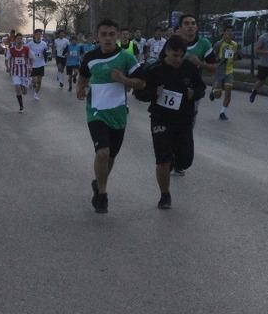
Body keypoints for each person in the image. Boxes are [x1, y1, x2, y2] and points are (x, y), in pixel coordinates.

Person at [77, 19, 145, 214]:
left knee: (111, 157)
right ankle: (103, 194)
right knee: (102, 153)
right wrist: (81, 88)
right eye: (103, 34)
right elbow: (83, 75)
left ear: (117, 35)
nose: (107, 38)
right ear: (97, 37)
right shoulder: (90, 57)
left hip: (118, 113)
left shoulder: (126, 58)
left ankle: (98, 183)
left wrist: (123, 79)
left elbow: (141, 83)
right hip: (96, 111)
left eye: (111, 34)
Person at [133, 35, 205, 209]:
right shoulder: (153, 70)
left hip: (184, 120)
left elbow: (201, 87)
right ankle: (165, 195)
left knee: (185, 160)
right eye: (174, 55)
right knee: (163, 159)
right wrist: (153, 93)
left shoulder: (189, 68)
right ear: (166, 51)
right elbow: (138, 93)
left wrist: (193, 93)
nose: (177, 60)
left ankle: (175, 161)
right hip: (161, 119)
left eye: (181, 56)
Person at [173, 14, 217, 176]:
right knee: (173, 123)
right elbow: (162, 62)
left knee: (187, 125)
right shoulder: (174, 42)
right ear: (181, 27)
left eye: (193, 23)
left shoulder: (204, 44)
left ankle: (179, 159)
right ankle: (172, 153)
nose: (190, 26)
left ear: (197, 27)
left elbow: (214, 67)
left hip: (193, 91)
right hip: (173, 89)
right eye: (186, 23)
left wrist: (199, 63)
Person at [210, 25, 240, 120]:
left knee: (228, 92)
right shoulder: (218, 44)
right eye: (228, 31)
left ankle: (222, 112)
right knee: (218, 95)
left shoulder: (235, 44)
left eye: (231, 31)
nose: (230, 33)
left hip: (229, 71)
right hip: (219, 71)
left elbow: (234, 57)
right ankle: (213, 91)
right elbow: (211, 58)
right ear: (224, 33)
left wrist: (236, 57)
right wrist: (218, 59)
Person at [9, 33, 32, 113]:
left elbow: (32, 58)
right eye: (18, 39)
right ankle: (21, 106)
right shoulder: (11, 49)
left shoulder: (26, 49)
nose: (19, 40)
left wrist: (31, 67)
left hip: (24, 73)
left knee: (25, 92)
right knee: (17, 87)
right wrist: (8, 67)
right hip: (15, 72)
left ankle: (24, 85)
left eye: (20, 39)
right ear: (15, 40)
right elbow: (7, 58)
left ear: (22, 40)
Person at [27, 29, 49, 101]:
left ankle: (36, 94)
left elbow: (46, 52)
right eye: (37, 34)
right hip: (33, 65)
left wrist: (46, 59)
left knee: (39, 81)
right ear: (34, 35)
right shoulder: (30, 44)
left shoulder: (44, 44)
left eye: (40, 34)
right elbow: (26, 52)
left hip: (41, 64)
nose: (39, 36)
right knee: (35, 81)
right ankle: (31, 82)